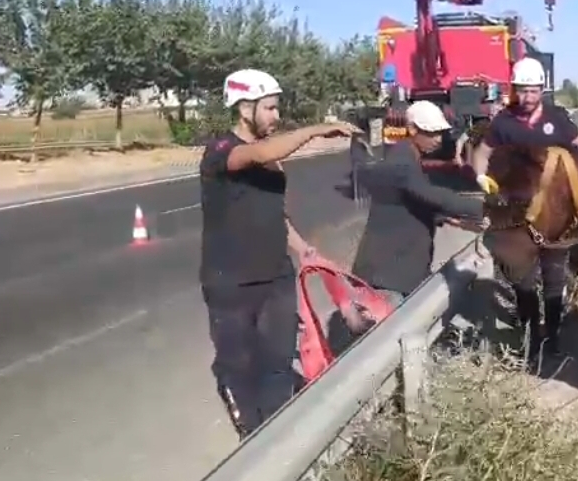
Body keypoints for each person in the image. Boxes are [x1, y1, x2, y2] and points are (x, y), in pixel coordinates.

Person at [199, 68, 359, 440]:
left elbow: (272, 213)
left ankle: (274, 435)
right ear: (244, 109)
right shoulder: (221, 151)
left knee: (277, 361)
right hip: (231, 282)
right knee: (239, 366)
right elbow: (256, 153)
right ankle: (251, 441)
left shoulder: (270, 160)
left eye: (276, 108)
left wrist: (303, 249)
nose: (276, 116)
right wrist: (315, 130)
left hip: (275, 275)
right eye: (269, 108)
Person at [470, 57, 578, 361]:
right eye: (521, 91)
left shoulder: (557, 119)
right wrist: (481, 177)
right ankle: (530, 338)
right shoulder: (504, 123)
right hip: (517, 217)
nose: (526, 98)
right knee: (522, 279)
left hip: (556, 215)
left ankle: (554, 335)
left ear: (542, 90)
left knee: (554, 276)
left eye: (532, 91)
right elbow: (482, 153)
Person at [351, 100, 486, 301]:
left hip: (400, 271)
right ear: (413, 129)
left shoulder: (409, 157)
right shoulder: (402, 163)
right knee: (396, 330)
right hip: (386, 277)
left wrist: (450, 220)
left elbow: (411, 203)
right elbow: (432, 195)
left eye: (440, 132)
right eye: (431, 133)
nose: (439, 139)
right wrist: (488, 208)